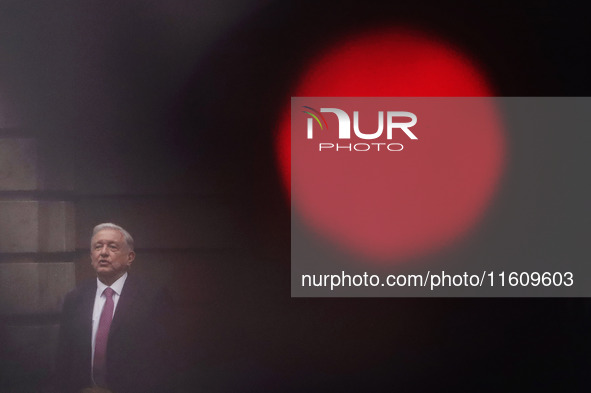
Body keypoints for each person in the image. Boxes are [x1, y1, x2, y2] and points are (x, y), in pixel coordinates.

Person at [55, 223, 175, 393]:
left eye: (112, 247)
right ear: (91, 256)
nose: (103, 252)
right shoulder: (75, 297)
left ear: (130, 257)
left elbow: (164, 362)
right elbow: (63, 360)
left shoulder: (153, 297)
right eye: (98, 247)